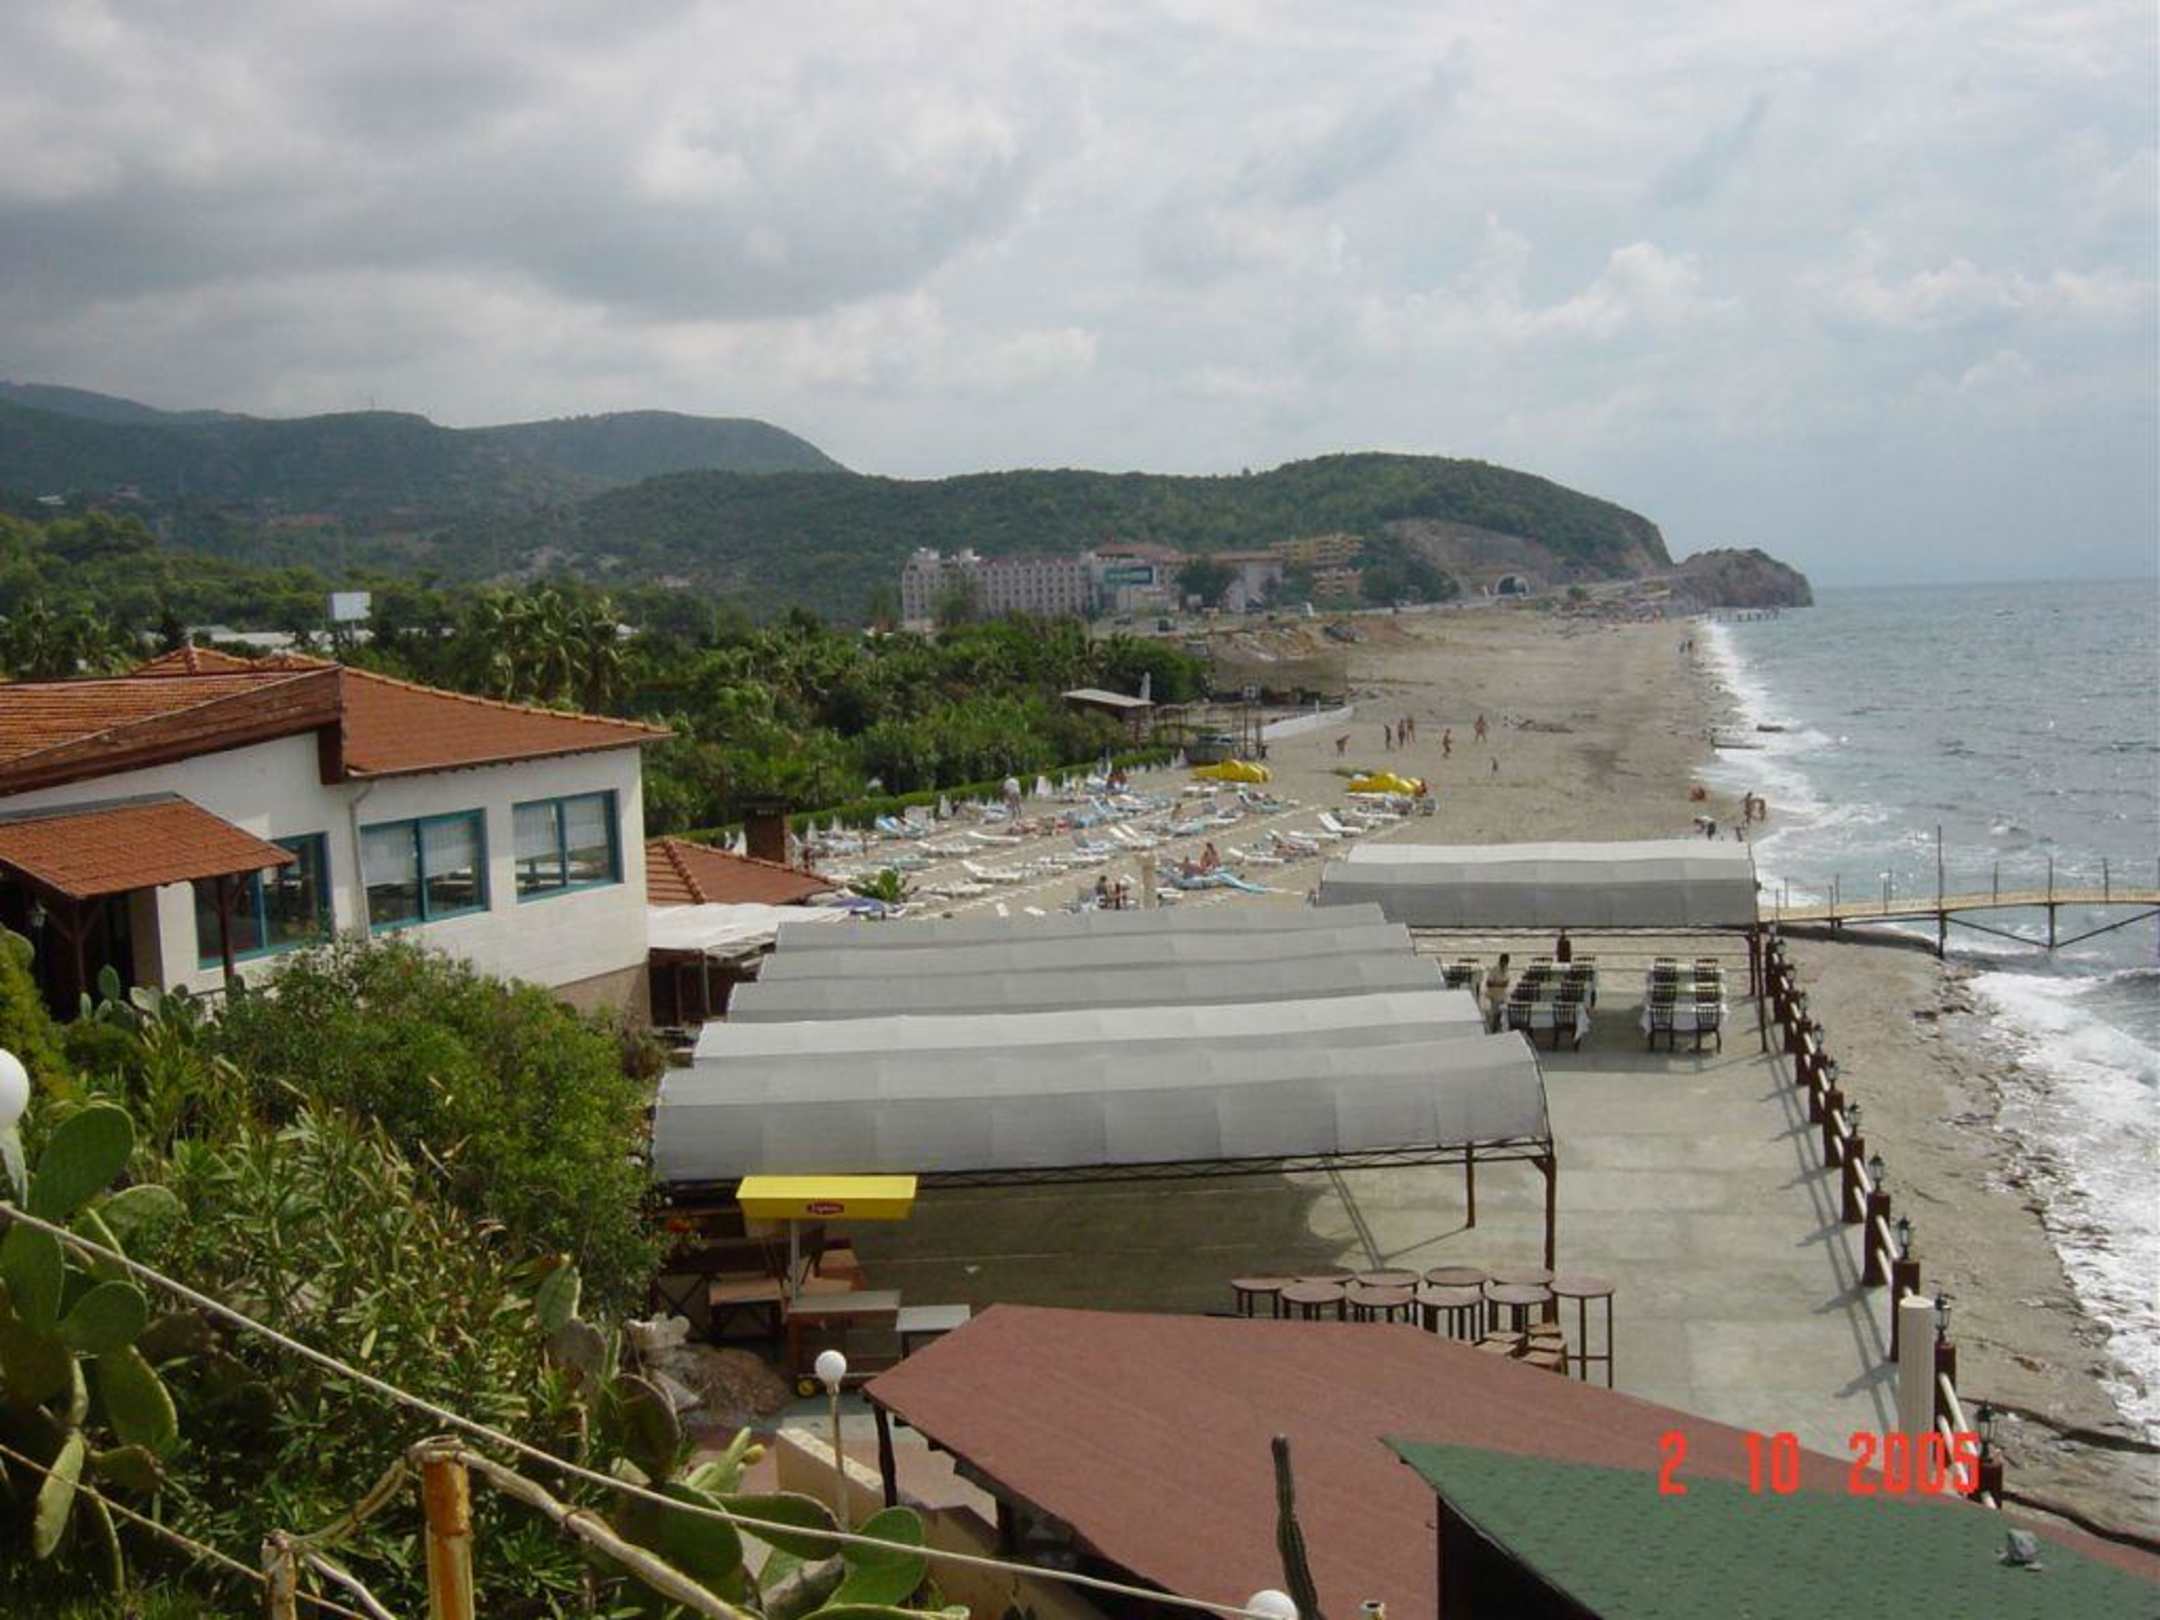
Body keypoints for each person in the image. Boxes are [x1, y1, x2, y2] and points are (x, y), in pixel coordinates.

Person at [1484, 952, 1512, 1032]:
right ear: (1500, 961)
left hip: (1503, 994)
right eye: (1503, 962)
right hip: (1494, 994)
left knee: (1501, 1013)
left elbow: (1506, 983)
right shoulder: (1494, 969)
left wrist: (1499, 984)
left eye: (1506, 963)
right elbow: (1488, 983)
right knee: (1495, 1013)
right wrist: (1499, 984)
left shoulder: (1506, 970)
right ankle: (1493, 1029)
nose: (1504, 965)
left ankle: (1497, 1028)